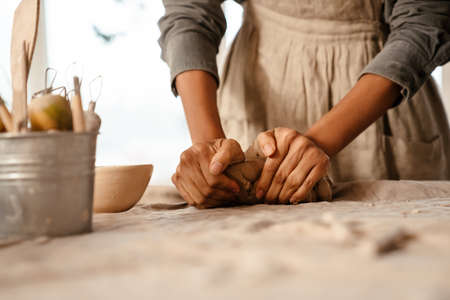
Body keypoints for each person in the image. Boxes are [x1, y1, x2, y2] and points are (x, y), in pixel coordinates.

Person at [158, 0, 450, 207]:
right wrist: (211, 155)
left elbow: (425, 23)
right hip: (259, 86)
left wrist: (318, 142)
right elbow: (189, 14)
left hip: (380, 96)